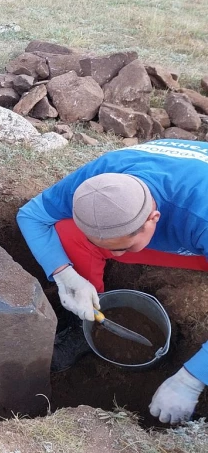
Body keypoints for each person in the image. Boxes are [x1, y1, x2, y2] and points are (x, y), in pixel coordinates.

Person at [16, 139, 208, 424]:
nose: (115, 255)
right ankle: (89, 318)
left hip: (195, 221)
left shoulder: (200, 215)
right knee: (67, 233)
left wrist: (191, 379)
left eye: (123, 246)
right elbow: (31, 215)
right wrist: (65, 275)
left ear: (153, 218)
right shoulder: (98, 184)